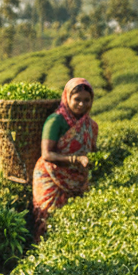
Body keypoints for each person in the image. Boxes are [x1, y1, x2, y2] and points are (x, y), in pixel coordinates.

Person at [32, 77, 98, 240]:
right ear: (67, 98)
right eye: (77, 100)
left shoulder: (91, 125)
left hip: (77, 179)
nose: (82, 104)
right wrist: (75, 160)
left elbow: (92, 151)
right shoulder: (55, 121)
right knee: (47, 219)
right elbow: (47, 154)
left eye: (86, 100)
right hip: (50, 176)